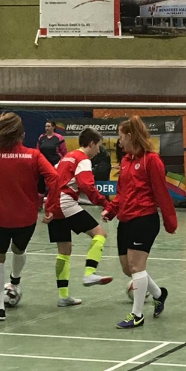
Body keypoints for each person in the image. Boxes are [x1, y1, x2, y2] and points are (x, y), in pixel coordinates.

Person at [102, 116, 177, 329]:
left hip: (144, 219)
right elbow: (121, 193)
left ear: (129, 136)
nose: (119, 142)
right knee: (128, 268)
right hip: (125, 220)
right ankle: (159, 294)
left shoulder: (151, 160)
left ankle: (137, 315)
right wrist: (111, 210)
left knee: (136, 266)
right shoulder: (126, 161)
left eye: (120, 137)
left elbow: (162, 193)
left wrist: (170, 221)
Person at [0, 112, 58, 321]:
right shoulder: (33, 155)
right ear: (22, 134)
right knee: (19, 249)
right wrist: (51, 205)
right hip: (25, 218)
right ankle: (15, 281)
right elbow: (54, 178)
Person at [45, 128, 116, 308]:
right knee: (100, 234)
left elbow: (51, 180)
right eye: (98, 146)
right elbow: (87, 186)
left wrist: (48, 207)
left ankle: (63, 296)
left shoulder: (66, 158)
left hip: (54, 205)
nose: (98, 151)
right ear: (91, 143)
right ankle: (90, 273)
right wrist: (105, 204)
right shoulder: (82, 159)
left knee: (64, 250)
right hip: (65, 203)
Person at [37, 120, 67, 205]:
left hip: (55, 164)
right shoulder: (41, 137)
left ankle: (54, 204)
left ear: (53, 127)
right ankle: (39, 204)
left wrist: (63, 163)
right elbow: (37, 151)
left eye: (49, 126)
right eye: (46, 126)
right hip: (43, 164)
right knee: (41, 184)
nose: (47, 128)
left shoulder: (59, 138)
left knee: (54, 184)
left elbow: (64, 152)